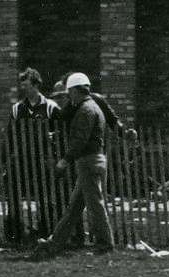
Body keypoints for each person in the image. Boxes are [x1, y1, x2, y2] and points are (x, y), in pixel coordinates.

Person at [41, 71, 115, 256]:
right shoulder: (92, 106)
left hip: (88, 162)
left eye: (69, 93)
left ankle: (105, 245)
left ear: (75, 90)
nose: (69, 97)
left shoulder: (85, 110)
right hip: (93, 160)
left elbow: (80, 141)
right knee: (74, 208)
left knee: (95, 205)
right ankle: (55, 242)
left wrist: (65, 161)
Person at [4, 68, 59, 242]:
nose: (23, 88)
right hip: (21, 160)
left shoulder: (50, 107)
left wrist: (52, 140)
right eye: (22, 85)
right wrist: (8, 160)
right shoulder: (17, 109)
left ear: (36, 85)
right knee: (14, 196)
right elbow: (10, 137)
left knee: (45, 197)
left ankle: (46, 230)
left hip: (43, 160)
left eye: (26, 85)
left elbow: (61, 132)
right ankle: (16, 232)